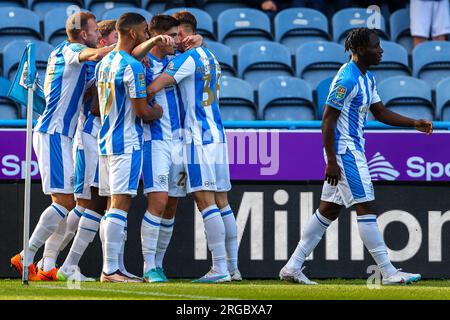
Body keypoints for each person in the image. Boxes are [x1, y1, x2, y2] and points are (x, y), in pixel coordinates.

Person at [279, 27, 433, 285]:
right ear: (360, 50)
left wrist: (413, 122)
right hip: (344, 152)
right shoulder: (346, 79)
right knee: (366, 206)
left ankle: (292, 266)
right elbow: (327, 120)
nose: (381, 50)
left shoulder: (367, 77)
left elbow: (380, 112)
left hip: (352, 150)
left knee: (328, 210)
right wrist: (331, 160)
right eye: (376, 46)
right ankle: (388, 271)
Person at [10, 11, 113, 281]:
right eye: (95, 32)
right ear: (83, 35)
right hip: (53, 132)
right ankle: (26, 256)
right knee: (65, 201)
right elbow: (95, 55)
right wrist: (125, 45)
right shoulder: (70, 50)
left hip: (62, 136)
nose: (98, 37)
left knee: (65, 203)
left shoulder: (76, 55)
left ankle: (44, 264)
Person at [147, 11, 240, 283]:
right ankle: (233, 268)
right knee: (223, 202)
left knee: (204, 200)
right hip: (217, 134)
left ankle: (219, 268)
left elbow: (154, 86)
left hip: (197, 137)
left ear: (185, 36)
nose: (175, 41)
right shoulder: (210, 56)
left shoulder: (187, 59)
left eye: (177, 35)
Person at [55, 19, 131, 282]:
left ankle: (64, 264)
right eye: (111, 39)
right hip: (90, 136)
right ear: (102, 42)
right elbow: (97, 107)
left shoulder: (108, 62)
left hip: (101, 138)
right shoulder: (96, 64)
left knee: (97, 204)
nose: (115, 44)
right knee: (86, 204)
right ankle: (51, 260)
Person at [95, 12, 169, 283]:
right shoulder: (133, 68)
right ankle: (111, 269)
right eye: (145, 33)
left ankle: (114, 267)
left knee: (112, 206)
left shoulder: (105, 62)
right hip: (127, 142)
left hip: (106, 140)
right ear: (135, 34)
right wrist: (157, 111)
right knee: (120, 205)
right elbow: (141, 111)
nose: (147, 36)